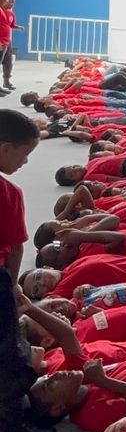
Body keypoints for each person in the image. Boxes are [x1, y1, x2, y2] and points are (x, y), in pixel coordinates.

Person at [0, 111, 40, 299]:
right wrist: (13, 286)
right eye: (25, 154)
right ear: (6, 149)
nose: (24, 161)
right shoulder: (8, 193)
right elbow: (16, 248)